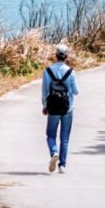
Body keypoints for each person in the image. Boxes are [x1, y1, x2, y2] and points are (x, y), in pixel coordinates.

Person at [41, 45, 78, 174]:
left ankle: (53, 152)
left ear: (55, 55)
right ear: (66, 56)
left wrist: (45, 106)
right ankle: (62, 165)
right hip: (67, 109)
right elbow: (76, 91)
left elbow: (45, 91)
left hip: (53, 108)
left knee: (50, 135)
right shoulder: (71, 72)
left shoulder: (47, 71)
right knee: (65, 138)